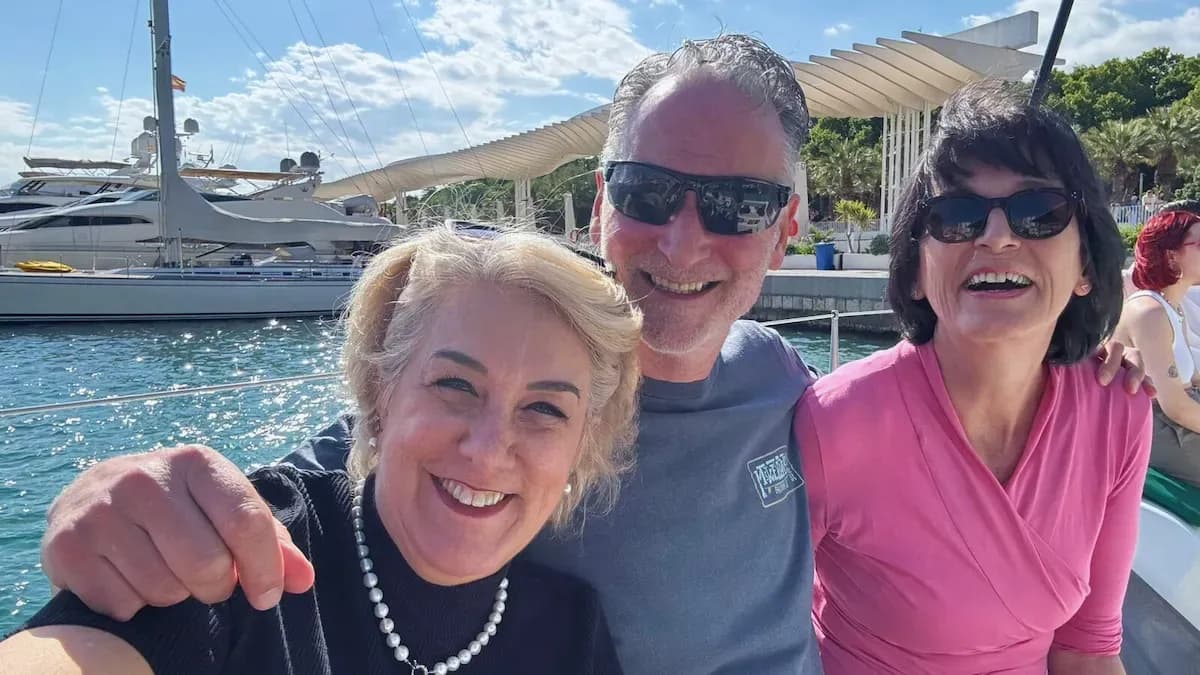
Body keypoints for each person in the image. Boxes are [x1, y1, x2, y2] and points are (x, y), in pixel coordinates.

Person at [24, 38, 1147, 675]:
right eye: (651, 193)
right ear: (603, 202)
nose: (685, 242)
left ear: (788, 218)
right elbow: (347, 474)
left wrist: (1104, 359)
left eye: (740, 204)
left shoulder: (789, 389)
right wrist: (147, 503)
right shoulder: (516, 396)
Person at [0, 226, 641, 674]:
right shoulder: (246, 560)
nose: (488, 447)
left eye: (545, 409)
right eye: (455, 385)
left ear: (582, 447)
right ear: (380, 392)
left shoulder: (570, 628)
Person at [795, 80, 1150, 674]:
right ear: (914, 272)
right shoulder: (836, 422)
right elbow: (757, 632)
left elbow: (1088, 648)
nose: (997, 237)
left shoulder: (1118, 410)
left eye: (1038, 212)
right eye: (956, 217)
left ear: (1086, 265)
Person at [1112, 201, 1200, 487]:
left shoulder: (1173, 306)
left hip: (1174, 417)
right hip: (1154, 425)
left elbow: (1192, 377)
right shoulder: (1149, 312)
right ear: (1171, 257)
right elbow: (1174, 404)